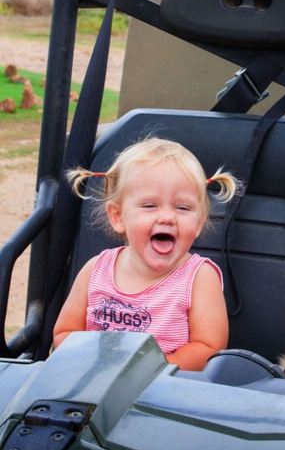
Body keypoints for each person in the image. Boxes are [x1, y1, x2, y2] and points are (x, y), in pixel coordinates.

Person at [53, 137, 238, 370]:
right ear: (118, 217)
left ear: (199, 222)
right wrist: (93, 362)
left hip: (163, 391)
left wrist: (146, 371)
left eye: (183, 208)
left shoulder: (199, 278)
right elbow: (64, 332)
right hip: (94, 383)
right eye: (150, 206)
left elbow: (208, 347)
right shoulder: (96, 269)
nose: (167, 217)